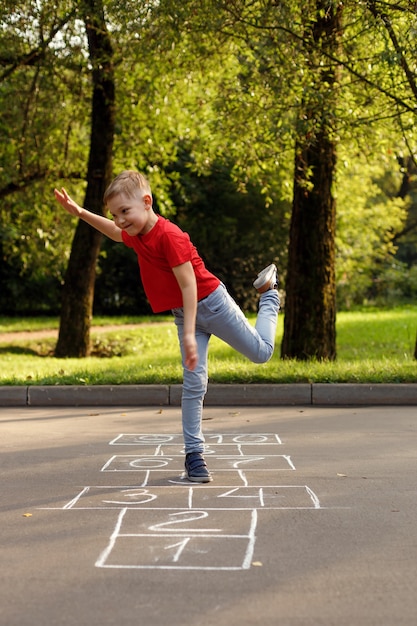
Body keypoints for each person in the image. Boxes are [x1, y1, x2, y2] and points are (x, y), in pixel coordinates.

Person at [54, 170, 280, 483]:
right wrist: (79, 212)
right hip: (183, 312)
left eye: (124, 212)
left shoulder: (170, 236)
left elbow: (189, 287)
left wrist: (189, 335)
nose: (120, 220)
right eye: (115, 214)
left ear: (147, 203)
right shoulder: (134, 231)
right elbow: (114, 233)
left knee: (261, 353)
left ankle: (269, 294)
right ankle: (194, 456)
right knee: (194, 383)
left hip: (211, 303)